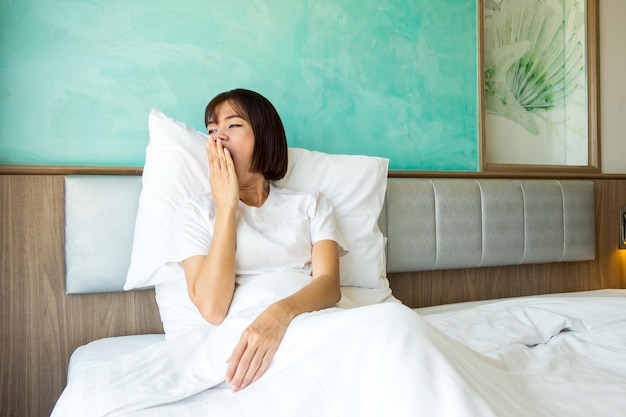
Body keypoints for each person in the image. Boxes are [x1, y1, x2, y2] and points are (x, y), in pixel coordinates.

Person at [168, 88, 348, 393]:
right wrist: (227, 207)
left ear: (264, 136)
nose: (218, 137)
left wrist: (279, 314)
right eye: (211, 130)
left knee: (394, 323)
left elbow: (329, 285)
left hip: (312, 321)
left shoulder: (310, 204)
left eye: (233, 125)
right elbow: (212, 308)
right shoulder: (196, 212)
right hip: (247, 332)